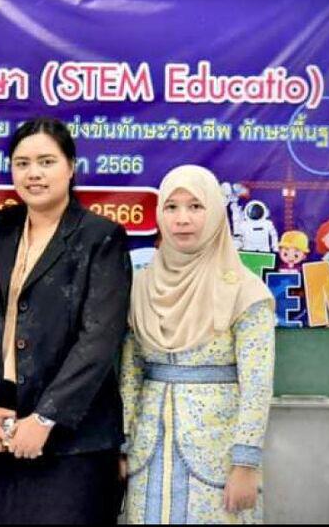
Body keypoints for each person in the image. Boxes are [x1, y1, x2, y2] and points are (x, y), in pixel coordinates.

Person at [0, 117, 131, 524]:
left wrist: (45, 417)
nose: (33, 173)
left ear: (71, 167)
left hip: (74, 440)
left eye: (46, 162)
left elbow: (98, 340)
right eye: (22, 163)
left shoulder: (100, 237)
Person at [121, 165, 275, 524]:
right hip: (149, 453)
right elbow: (130, 372)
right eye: (171, 207)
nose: (182, 219)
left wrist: (246, 464)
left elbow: (257, 384)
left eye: (195, 206)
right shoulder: (141, 286)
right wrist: (123, 443)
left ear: (216, 213)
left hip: (218, 458)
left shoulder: (244, 290)